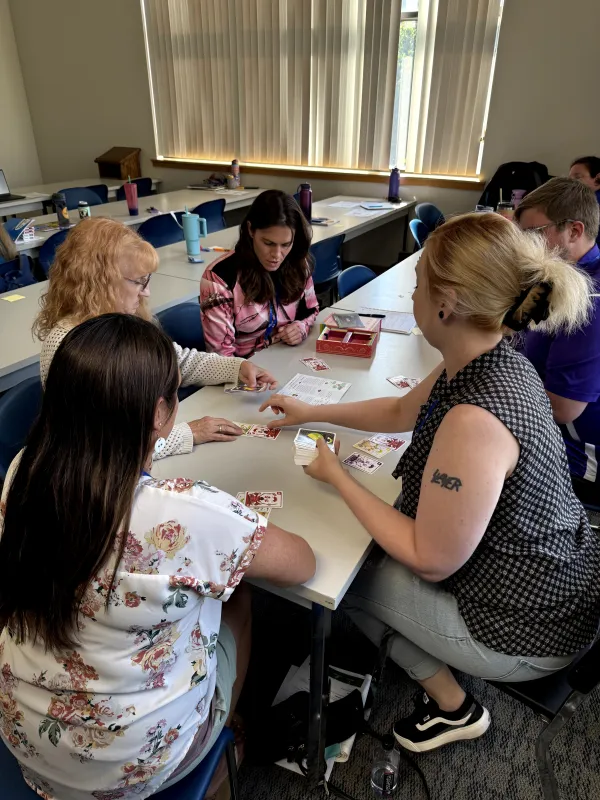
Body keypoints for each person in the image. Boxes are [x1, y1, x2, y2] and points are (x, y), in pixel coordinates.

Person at [259, 212, 600, 753]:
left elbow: (429, 557)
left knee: (341, 575)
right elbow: (400, 408)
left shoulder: (475, 421)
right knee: (367, 550)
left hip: (529, 629)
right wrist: (311, 411)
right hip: (557, 579)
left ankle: (453, 706)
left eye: (417, 286)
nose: (412, 297)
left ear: (447, 303)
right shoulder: (488, 354)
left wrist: (338, 476)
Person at [0, 314, 315, 800]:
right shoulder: (180, 513)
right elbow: (302, 564)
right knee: (238, 598)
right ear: (161, 413)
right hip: (133, 767)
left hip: (26, 740)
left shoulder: (23, 469)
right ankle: (226, 731)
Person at [33, 217, 277, 460]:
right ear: (101, 281)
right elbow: (104, 445)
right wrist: (188, 433)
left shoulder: (123, 318)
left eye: (146, 280)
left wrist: (237, 367)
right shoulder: (68, 344)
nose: (146, 292)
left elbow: (176, 362)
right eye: (139, 282)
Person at [515, 177, 600, 505]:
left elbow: (563, 408)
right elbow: (510, 329)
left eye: (535, 234)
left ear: (574, 232)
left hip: (576, 462)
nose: (524, 245)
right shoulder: (552, 274)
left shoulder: (591, 299)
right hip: (542, 425)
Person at [200, 190, 319, 358]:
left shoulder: (299, 263)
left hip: (286, 357)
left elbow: (312, 310)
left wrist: (301, 327)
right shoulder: (219, 278)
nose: (277, 255)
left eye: (286, 244)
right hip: (243, 370)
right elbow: (221, 356)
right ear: (251, 230)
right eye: (268, 243)